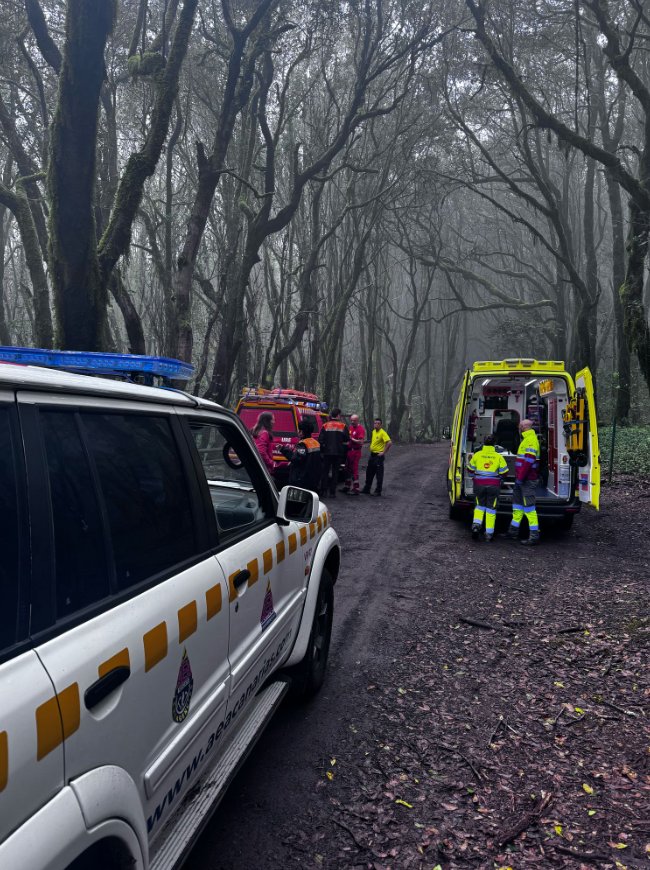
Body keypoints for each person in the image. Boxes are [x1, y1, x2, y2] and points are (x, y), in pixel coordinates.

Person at [503, 418, 541, 545]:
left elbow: (528, 462)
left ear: (524, 427)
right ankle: (512, 532)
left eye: (520, 425)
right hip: (521, 479)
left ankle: (534, 536)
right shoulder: (526, 439)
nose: (519, 427)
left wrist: (520, 478)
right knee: (517, 507)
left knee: (530, 509)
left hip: (527, 480)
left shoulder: (530, 441)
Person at [467, 434, 508, 542]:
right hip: (493, 486)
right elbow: (504, 472)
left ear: (483, 443)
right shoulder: (499, 456)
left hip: (479, 484)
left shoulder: (477, 455)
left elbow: (470, 469)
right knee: (491, 509)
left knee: (479, 506)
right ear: (495, 444)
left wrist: (474, 477)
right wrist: (500, 478)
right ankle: (488, 534)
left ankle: (476, 526)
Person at [318, 408, 349, 498]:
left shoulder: (325, 425)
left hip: (327, 453)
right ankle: (332, 493)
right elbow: (347, 438)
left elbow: (320, 440)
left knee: (325, 472)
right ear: (338, 415)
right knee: (335, 473)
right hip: (338, 453)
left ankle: (323, 491)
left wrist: (324, 449)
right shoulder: (343, 426)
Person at [286, 417, 321, 492]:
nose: (298, 432)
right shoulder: (316, 443)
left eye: (299, 430)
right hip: (313, 480)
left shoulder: (303, 444)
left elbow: (296, 459)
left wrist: (284, 450)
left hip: (302, 480)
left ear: (302, 432)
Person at [362, 418, 391, 496]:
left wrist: (383, 452)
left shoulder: (383, 432)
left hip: (378, 457)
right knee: (369, 472)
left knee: (379, 474)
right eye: (375, 423)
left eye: (378, 423)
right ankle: (367, 489)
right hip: (372, 455)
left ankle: (378, 491)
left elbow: (389, 442)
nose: (376, 425)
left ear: (381, 425)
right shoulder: (373, 431)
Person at [340, 413, 366, 495]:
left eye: (354, 421)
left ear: (358, 420)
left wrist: (352, 439)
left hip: (356, 452)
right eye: (351, 420)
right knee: (347, 469)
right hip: (349, 451)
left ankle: (356, 489)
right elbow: (349, 439)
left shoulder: (360, 429)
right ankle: (347, 486)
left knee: (354, 470)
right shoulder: (350, 427)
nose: (352, 422)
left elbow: (361, 442)